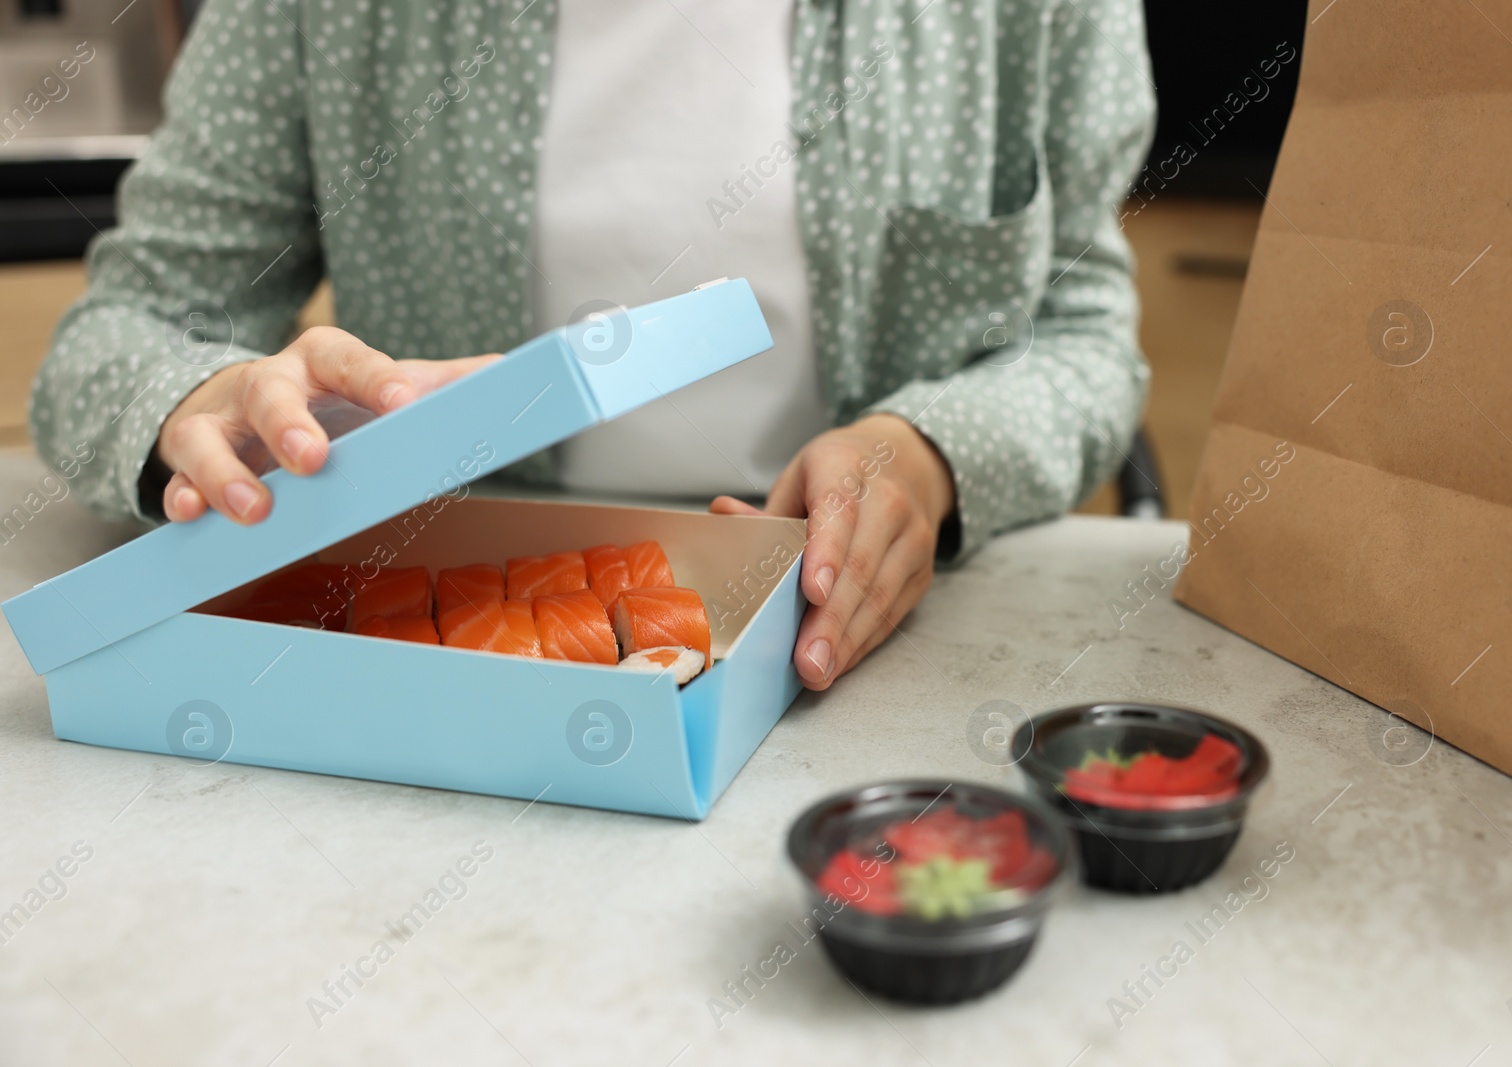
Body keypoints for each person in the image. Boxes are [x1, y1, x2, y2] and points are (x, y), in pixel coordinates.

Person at [30, 0, 1154, 690]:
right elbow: (119, 332)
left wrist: (932, 450)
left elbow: (1085, 335)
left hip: (878, 662)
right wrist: (210, 399)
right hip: (451, 648)